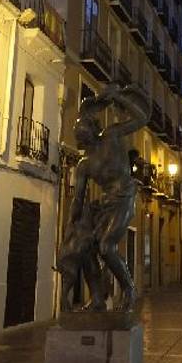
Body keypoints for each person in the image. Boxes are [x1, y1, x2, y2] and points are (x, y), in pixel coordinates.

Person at [56, 83, 149, 312]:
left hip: (124, 196)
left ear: (92, 128)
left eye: (82, 127)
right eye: (77, 130)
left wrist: (118, 97)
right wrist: (71, 226)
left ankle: (129, 289)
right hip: (106, 203)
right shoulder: (84, 165)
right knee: (87, 245)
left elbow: (141, 119)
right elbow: (78, 199)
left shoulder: (112, 135)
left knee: (106, 246)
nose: (79, 131)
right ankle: (97, 297)